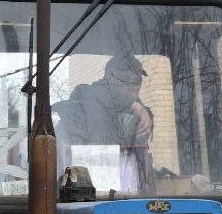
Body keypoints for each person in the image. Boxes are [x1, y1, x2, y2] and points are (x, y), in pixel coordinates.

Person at [56, 53, 156, 192]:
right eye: (127, 79)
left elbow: (139, 146)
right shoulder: (84, 95)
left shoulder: (136, 107)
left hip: (129, 191)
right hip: (82, 191)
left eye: (138, 80)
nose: (135, 85)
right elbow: (100, 97)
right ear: (109, 78)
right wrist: (132, 106)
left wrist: (141, 110)